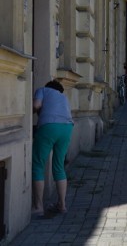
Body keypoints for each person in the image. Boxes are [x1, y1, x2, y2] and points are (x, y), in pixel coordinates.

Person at [32, 80, 74, 218]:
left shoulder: (42, 89)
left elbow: (36, 104)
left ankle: (38, 207)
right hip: (67, 128)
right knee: (59, 165)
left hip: (49, 126)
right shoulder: (63, 97)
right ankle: (62, 205)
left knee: (38, 164)